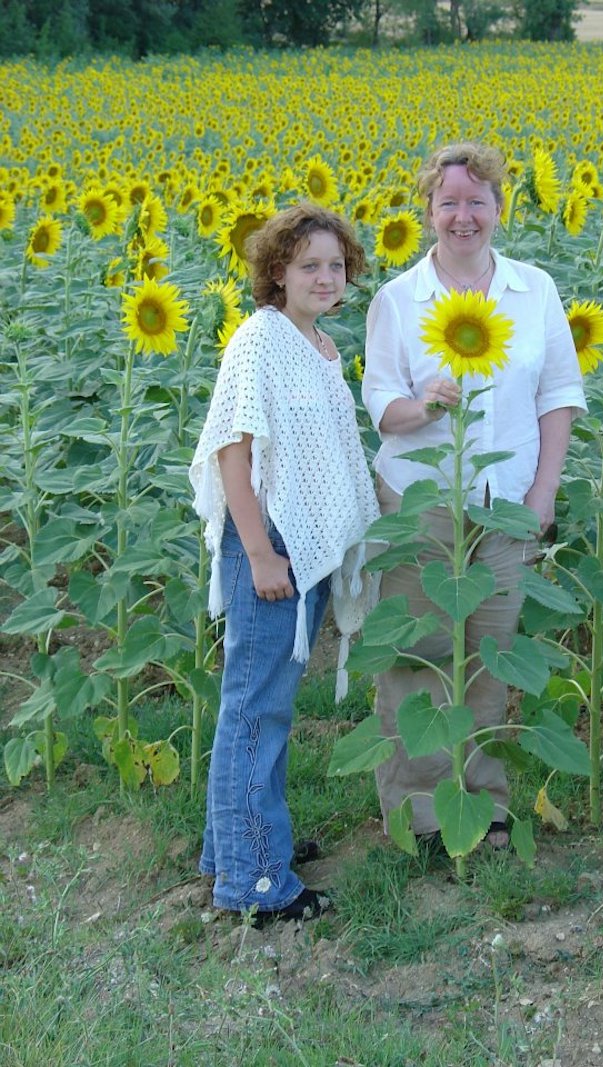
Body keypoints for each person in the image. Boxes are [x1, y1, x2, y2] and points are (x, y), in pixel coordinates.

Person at [362, 142, 587, 848]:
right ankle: (423, 812)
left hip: (506, 497)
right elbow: (379, 404)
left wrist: (543, 490)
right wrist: (424, 405)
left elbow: (559, 394)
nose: (464, 216)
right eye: (449, 202)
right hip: (421, 498)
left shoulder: (533, 290)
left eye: (477, 201)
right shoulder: (400, 300)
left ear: (498, 208)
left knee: (491, 651)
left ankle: (481, 802)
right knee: (419, 652)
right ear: (428, 211)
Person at [190, 204, 380, 921]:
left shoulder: (321, 345)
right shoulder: (260, 339)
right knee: (255, 708)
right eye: (309, 266)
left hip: (299, 552)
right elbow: (232, 453)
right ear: (277, 271)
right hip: (266, 548)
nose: (326, 277)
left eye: (336, 265)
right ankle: (255, 884)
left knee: (262, 702)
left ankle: (236, 849)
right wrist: (262, 553)